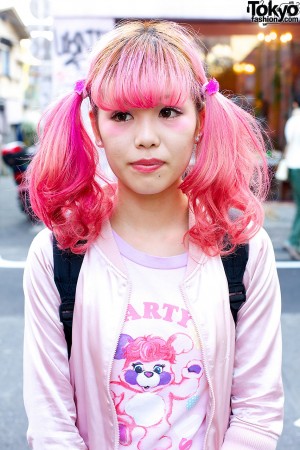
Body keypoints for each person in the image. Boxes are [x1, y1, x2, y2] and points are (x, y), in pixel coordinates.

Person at [23, 20, 284, 450]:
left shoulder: (241, 248)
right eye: (122, 116)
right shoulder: (57, 253)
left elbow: (257, 411)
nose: (146, 139)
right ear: (96, 124)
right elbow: (52, 424)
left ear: (201, 120)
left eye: (168, 113)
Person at [283, 97, 300, 260]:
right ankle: (293, 241)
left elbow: (288, 141)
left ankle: (294, 241)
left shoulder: (292, 121)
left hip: (293, 166)